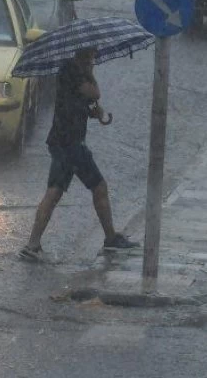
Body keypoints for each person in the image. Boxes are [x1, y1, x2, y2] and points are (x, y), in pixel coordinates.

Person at [18, 47, 138, 261]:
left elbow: (77, 102)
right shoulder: (70, 70)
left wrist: (93, 113)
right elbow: (93, 92)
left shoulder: (75, 71)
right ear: (85, 54)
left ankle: (34, 243)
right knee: (76, 189)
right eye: (93, 55)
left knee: (69, 190)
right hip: (68, 143)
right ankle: (34, 243)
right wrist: (90, 73)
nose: (95, 58)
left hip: (69, 142)